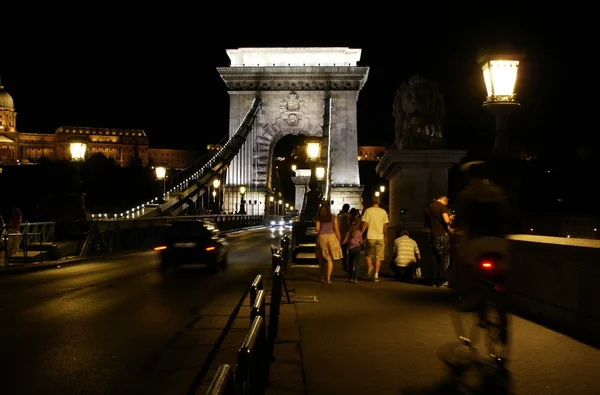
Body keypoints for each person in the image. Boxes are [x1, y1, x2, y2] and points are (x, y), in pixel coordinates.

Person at [425, 195, 454, 287]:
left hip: (432, 235)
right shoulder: (442, 207)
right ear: (445, 200)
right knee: (444, 259)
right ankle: (441, 280)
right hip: (441, 235)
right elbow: (445, 220)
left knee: (434, 259)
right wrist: (450, 218)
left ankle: (433, 280)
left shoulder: (428, 207)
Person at [361, 196, 389, 282]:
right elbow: (385, 227)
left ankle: (370, 267)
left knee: (368, 255)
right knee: (379, 258)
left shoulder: (368, 211)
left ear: (371, 201)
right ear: (379, 202)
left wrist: (361, 234)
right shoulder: (383, 212)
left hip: (370, 236)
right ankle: (376, 275)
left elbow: (365, 224)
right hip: (380, 237)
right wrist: (385, 236)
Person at [315, 201, 343, 283]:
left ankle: (321, 277)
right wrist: (339, 238)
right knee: (330, 258)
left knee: (321, 259)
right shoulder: (333, 217)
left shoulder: (319, 217)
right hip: (331, 237)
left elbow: (317, 229)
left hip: (322, 237)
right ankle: (328, 278)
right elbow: (336, 229)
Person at [341, 216, 363, 283]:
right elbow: (361, 242)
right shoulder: (359, 233)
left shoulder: (348, 233)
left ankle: (350, 278)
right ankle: (355, 279)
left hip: (351, 249)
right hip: (358, 248)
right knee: (357, 264)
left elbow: (344, 242)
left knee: (350, 263)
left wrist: (340, 242)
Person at [337, 203, 352, 273]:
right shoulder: (348, 216)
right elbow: (349, 226)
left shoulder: (340, 216)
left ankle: (345, 265)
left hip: (342, 235)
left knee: (344, 252)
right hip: (348, 235)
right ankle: (349, 265)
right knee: (350, 251)